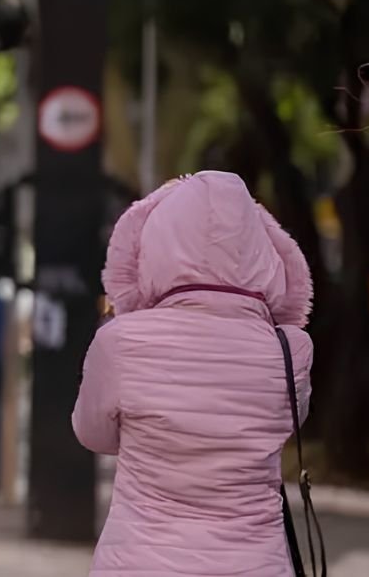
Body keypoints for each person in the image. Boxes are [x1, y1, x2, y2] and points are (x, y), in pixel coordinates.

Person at [73, 171, 314, 576]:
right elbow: (287, 423)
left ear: (151, 247)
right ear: (263, 250)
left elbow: (91, 433)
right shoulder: (289, 349)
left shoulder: (120, 342)